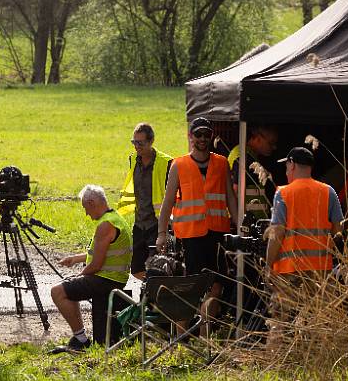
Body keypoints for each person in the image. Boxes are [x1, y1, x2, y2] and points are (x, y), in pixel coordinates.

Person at [156, 117, 237, 320]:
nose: (202, 138)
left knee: (216, 285)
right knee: (192, 285)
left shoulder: (221, 163)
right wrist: (161, 234)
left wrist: (241, 226)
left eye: (206, 134)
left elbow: (231, 199)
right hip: (191, 236)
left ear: (211, 136)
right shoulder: (179, 165)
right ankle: (183, 334)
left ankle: (205, 335)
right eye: (198, 134)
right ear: (190, 136)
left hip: (217, 234)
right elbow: (167, 203)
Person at [50, 185, 134, 351]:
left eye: (85, 208)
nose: (86, 214)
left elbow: (96, 265)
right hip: (114, 278)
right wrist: (75, 259)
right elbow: (105, 252)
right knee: (70, 288)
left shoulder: (105, 225)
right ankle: (80, 339)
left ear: (92, 202)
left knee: (58, 291)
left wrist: (78, 276)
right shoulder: (115, 218)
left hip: (106, 280)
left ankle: (80, 339)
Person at [264, 147, 343, 322]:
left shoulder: (283, 193)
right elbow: (338, 230)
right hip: (320, 272)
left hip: (288, 271)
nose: (286, 171)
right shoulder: (328, 191)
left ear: (291, 164)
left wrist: (268, 265)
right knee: (319, 322)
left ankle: (276, 350)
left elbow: (276, 233)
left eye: (286, 166)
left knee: (280, 321)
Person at [116, 122, 172, 278]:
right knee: (136, 269)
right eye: (134, 142)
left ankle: (154, 297)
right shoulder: (133, 159)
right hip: (139, 223)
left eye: (140, 143)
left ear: (151, 141)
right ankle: (150, 291)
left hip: (158, 223)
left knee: (158, 268)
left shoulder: (166, 163)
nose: (136, 146)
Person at [228, 124, 279, 221]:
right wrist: (240, 221)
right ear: (258, 138)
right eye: (271, 143)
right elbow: (235, 190)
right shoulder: (244, 157)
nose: (274, 147)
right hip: (248, 221)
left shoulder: (245, 154)